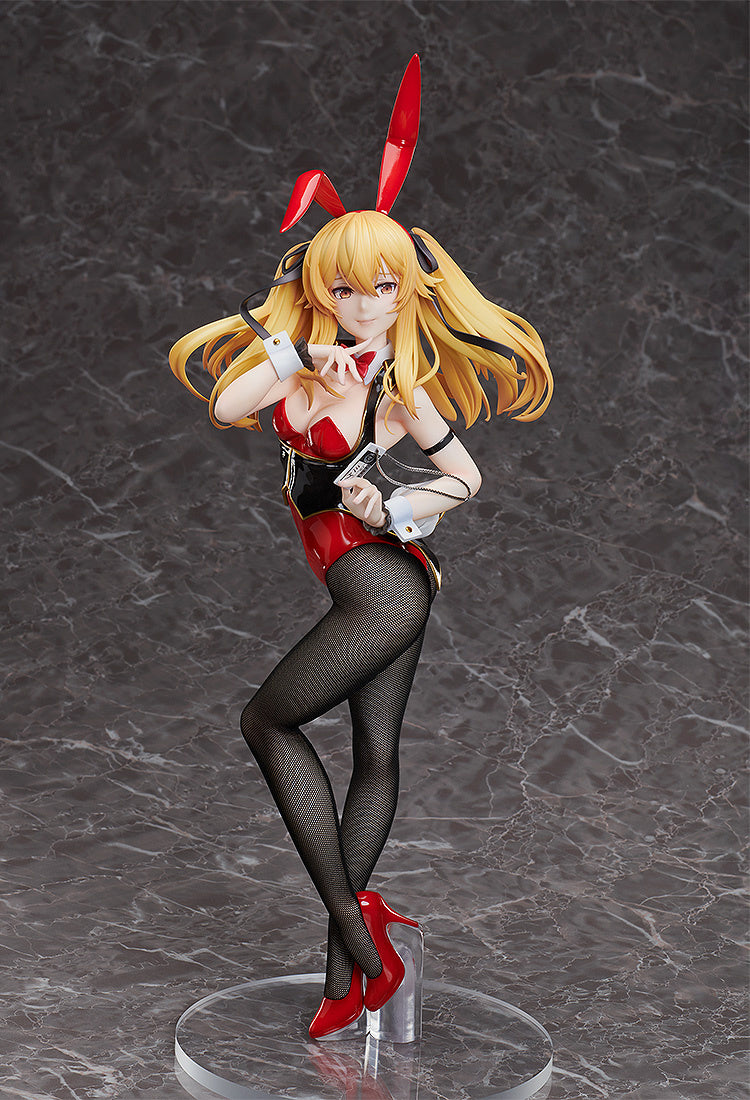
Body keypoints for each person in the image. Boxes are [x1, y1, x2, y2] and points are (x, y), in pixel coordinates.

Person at [169, 59, 551, 1041]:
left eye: (386, 286)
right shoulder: (305, 367)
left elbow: (465, 477)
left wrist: (397, 504)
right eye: (348, 287)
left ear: (408, 287)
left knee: (267, 722)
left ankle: (358, 935)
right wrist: (301, 350)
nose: (370, 303)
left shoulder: (395, 386)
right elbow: (228, 403)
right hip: (377, 589)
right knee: (373, 752)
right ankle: (353, 965)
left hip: (385, 583)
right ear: (321, 286)